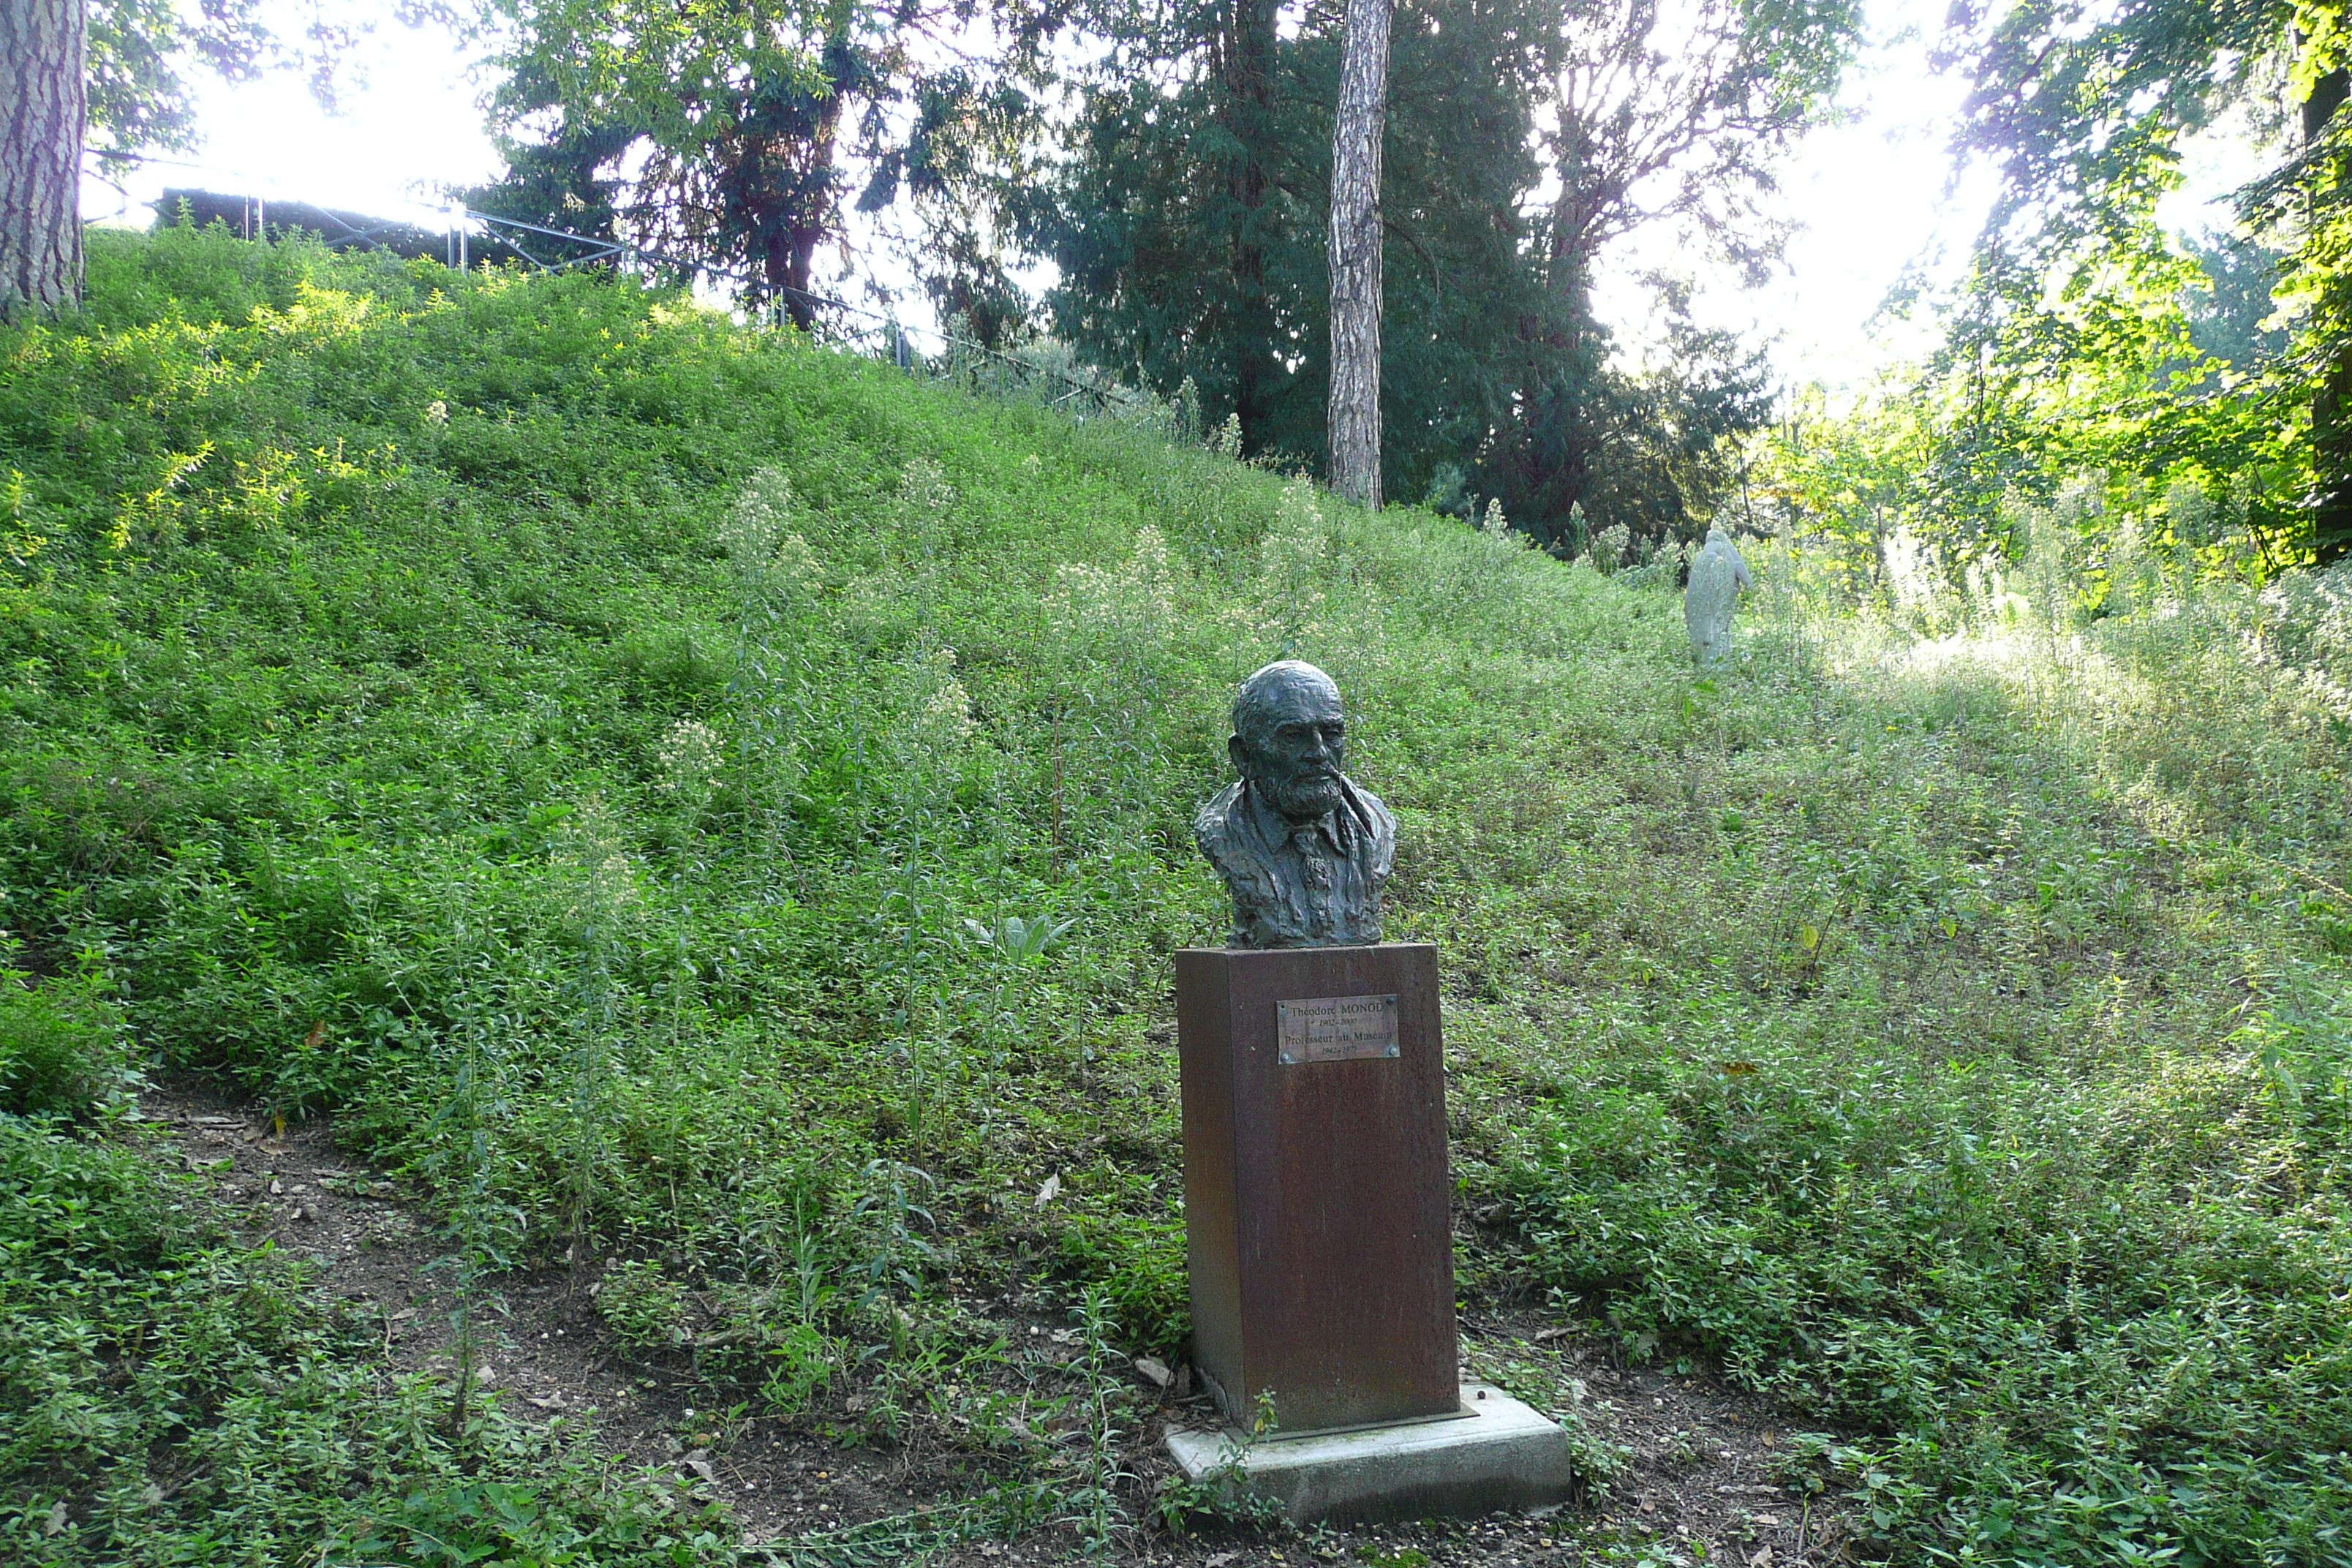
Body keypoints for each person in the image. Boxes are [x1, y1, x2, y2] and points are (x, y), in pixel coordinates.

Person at [1194, 660, 1396, 948]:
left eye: (1332, 734)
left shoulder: (1374, 827)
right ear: (1245, 756)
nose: (1319, 753)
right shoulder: (1223, 832)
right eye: (1293, 737)